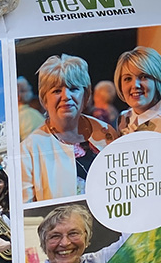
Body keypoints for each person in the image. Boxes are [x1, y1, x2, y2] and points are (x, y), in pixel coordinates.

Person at [20, 55, 117, 202]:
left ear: (86, 95)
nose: (66, 96)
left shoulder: (106, 132)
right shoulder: (28, 150)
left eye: (74, 88)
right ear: (44, 99)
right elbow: (27, 211)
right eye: (57, 91)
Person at [113, 46, 161, 140]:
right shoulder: (123, 119)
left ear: (158, 80)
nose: (135, 85)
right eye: (128, 79)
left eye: (143, 76)